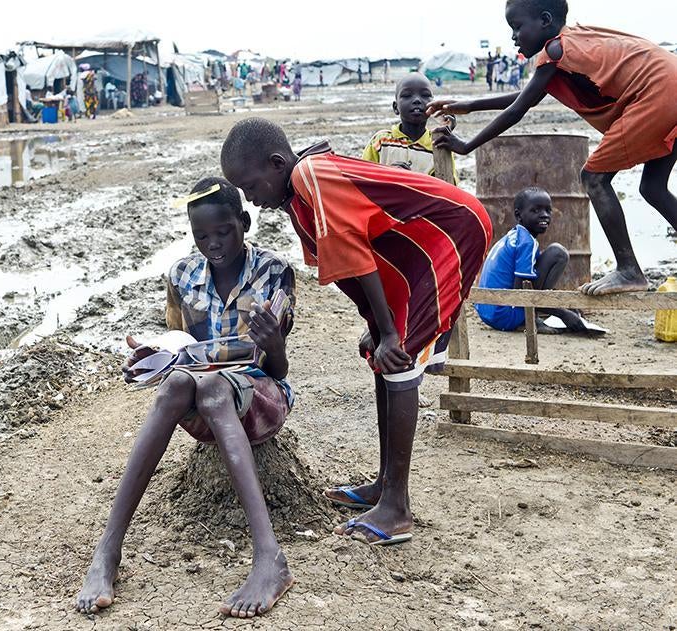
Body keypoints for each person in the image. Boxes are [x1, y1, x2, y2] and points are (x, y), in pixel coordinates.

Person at [221, 118, 492, 546]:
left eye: (252, 188)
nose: (252, 201)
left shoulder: (311, 176)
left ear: (276, 164)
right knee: (382, 357)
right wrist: (375, 327)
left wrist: (388, 332)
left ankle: (397, 508)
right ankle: (385, 485)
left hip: (447, 233)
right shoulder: (299, 196)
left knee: (398, 358)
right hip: (412, 249)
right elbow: (351, 268)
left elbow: (356, 252)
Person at [75, 177, 298, 618]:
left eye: (223, 232)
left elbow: (272, 367)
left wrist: (273, 346)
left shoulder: (275, 272)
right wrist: (151, 357)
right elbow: (175, 343)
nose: (212, 244)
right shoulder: (181, 275)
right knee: (177, 384)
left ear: (245, 222)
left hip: (262, 398)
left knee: (213, 386)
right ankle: (108, 551)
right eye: (201, 236)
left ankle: (269, 557)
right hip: (201, 402)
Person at [430, 0, 677, 296]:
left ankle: (629, 270)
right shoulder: (571, 44)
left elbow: (516, 111)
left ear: (545, 20)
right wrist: (468, 106)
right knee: (653, 187)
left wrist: (467, 145)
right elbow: (529, 95)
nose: (513, 37)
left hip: (657, 92)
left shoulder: (556, 50)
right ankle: (629, 269)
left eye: (517, 27)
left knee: (594, 178)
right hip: (668, 84)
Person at [476, 187, 588, 332]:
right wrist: (563, 314)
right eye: (536, 211)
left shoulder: (515, 236)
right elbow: (521, 291)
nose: (544, 216)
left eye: (548, 210)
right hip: (504, 316)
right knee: (558, 253)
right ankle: (532, 319)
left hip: (488, 312)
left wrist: (564, 305)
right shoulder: (526, 243)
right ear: (519, 215)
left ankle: (537, 312)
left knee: (552, 254)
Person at [362, 73, 455, 178]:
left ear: (433, 105)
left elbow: (449, 184)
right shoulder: (381, 141)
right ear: (396, 108)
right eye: (407, 95)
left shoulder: (439, 144)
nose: (417, 100)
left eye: (425, 95)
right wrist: (388, 174)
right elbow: (363, 177)